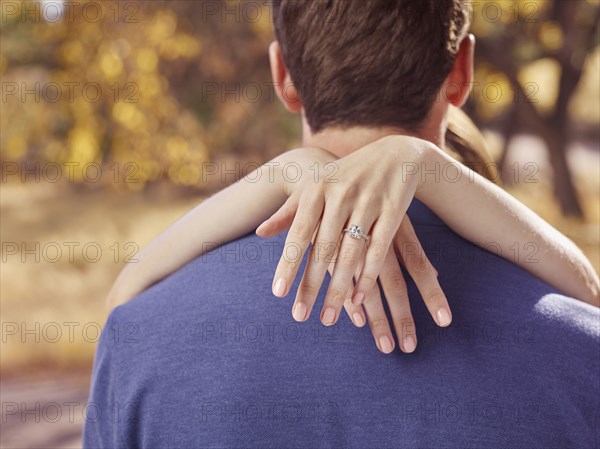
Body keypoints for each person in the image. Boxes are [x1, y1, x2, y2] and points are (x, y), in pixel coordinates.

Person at [84, 1, 600, 447]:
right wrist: (427, 165)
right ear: (463, 71)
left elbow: (124, 301)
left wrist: (280, 173)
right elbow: (588, 296)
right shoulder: (580, 350)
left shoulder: (140, 340)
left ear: (282, 74)